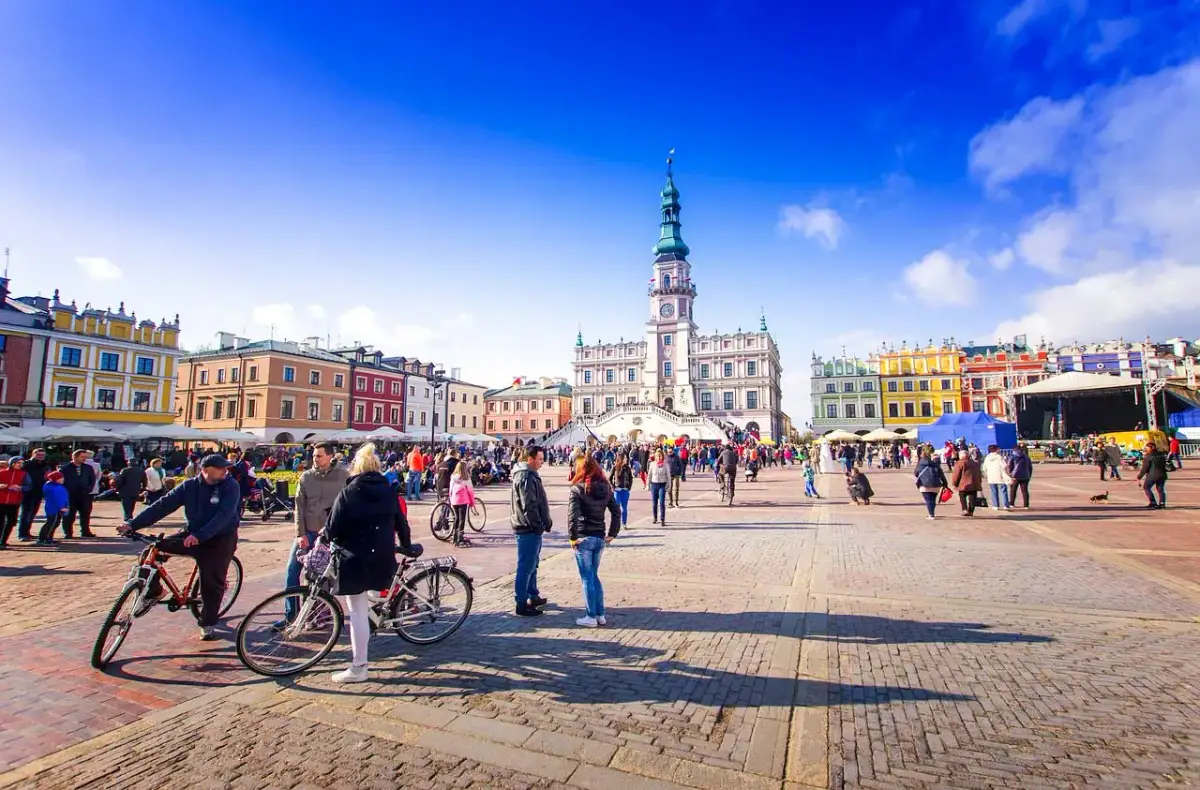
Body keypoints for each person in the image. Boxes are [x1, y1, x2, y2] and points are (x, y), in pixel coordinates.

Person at [119, 454, 241, 640]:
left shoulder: (230, 485)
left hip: (220, 537)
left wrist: (200, 536)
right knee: (152, 551)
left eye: (226, 468)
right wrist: (132, 525)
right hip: (192, 532)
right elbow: (162, 506)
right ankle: (154, 591)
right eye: (221, 468)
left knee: (211, 580)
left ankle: (207, 623)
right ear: (206, 470)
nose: (226, 471)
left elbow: (224, 516)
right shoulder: (189, 486)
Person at [320, 443, 404, 682]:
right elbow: (401, 521)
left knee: (356, 610)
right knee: (372, 596)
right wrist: (407, 544)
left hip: (354, 558)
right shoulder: (388, 489)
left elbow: (332, 526)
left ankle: (359, 666)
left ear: (356, 466)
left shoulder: (349, 491)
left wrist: (325, 536)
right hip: (382, 555)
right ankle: (378, 619)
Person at [278, 441, 349, 628]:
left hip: (328, 536)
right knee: (292, 572)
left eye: (319, 456)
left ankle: (317, 615)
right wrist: (299, 533)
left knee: (320, 578)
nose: (314, 459)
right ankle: (291, 615)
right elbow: (299, 506)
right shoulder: (306, 477)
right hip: (307, 532)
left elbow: (347, 506)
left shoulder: (343, 476)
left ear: (330, 456)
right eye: (314, 456)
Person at [567, 455, 621, 628]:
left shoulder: (578, 489)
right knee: (594, 577)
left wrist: (573, 537)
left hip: (584, 538)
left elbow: (572, 516)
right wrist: (613, 533)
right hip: (599, 537)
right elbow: (616, 511)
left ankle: (591, 616)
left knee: (587, 578)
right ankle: (600, 614)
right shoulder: (606, 487)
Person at [511, 445, 552, 617]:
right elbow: (529, 505)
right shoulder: (525, 476)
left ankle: (532, 595)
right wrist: (538, 526)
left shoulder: (529, 475)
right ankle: (521, 603)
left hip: (530, 526)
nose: (542, 462)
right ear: (530, 459)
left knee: (532, 564)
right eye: (540, 459)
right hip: (527, 527)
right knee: (525, 566)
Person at [59, 449, 97, 538]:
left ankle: (85, 531)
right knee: (69, 515)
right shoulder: (65, 468)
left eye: (85, 457)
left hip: (85, 495)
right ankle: (68, 532)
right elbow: (61, 481)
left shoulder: (88, 467)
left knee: (85, 514)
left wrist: (89, 489)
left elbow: (92, 479)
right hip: (70, 495)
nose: (84, 459)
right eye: (82, 457)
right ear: (74, 457)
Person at [18, 448, 48, 541]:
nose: (41, 457)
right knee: (26, 513)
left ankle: (27, 532)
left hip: (39, 492)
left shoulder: (44, 465)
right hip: (27, 492)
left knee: (33, 513)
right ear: (33, 454)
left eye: (42, 455)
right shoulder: (26, 465)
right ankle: (22, 534)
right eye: (39, 455)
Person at [0, 457, 29, 548]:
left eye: (21, 463)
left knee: (10, 522)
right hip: (1, 500)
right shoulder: (2, 472)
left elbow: (29, 486)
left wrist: (20, 488)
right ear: (12, 463)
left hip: (14, 501)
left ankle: (3, 541)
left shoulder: (23, 474)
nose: (20, 465)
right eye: (18, 463)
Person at [37, 471, 70, 545]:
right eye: (60, 478)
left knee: (54, 523)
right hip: (55, 508)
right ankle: (44, 539)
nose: (63, 479)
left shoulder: (49, 485)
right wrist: (63, 507)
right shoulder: (56, 487)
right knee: (51, 523)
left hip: (52, 507)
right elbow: (59, 499)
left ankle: (48, 538)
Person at [448, 459, 476, 548]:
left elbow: (450, 489)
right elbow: (470, 491)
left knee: (456, 518)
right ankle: (460, 538)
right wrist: (472, 502)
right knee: (462, 519)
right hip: (463, 500)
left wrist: (451, 498)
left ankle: (454, 537)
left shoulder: (453, 477)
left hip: (455, 500)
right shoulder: (466, 477)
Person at [915, 448, 948, 520]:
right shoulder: (935, 464)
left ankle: (931, 514)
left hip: (924, 484)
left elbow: (916, 473)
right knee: (933, 499)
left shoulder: (920, 464)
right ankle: (931, 512)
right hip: (936, 484)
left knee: (928, 500)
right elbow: (941, 474)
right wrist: (945, 483)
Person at [1137, 440, 1169, 509]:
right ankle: (1162, 503)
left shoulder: (1148, 456)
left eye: (1147, 448)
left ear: (1151, 448)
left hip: (1152, 475)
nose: (1146, 449)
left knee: (1146, 487)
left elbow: (1145, 468)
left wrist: (1139, 476)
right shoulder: (1161, 455)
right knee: (1161, 489)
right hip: (1162, 474)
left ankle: (1153, 502)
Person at [950, 449, 983, 517]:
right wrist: (979, 481)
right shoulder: (975, 463)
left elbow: (956, 474)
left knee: (962, 496)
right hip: (974, 483)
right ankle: (971, 511)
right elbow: (979, 474)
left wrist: (954, 483)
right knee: (973, 497)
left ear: (960, 456)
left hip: (963, 484)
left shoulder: (959, 463)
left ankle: (964, 509)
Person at [981, 445, 1011, 512]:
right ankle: (1005, 505)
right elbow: (1004, 466)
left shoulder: (987, 457)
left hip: (991, 477)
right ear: (996, 449)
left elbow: (984, 468)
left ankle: (995, 505)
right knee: (1004, 491)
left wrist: (986, 474)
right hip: (1000, 476)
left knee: (993, 491)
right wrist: (1008, 474)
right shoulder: (999, 457)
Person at [647, 448, 670, 525]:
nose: (658, 458)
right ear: (655, 457)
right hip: (654, 485)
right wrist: (647, 485)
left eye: (660, 456)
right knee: (654, 503)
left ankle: (662, 519)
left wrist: (668, 485)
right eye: (657, 456)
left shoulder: (665, 464)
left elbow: (668, 476)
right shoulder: (652, 464)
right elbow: (649, 475)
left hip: (662, 485)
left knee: (662, 502)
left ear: (662, 457)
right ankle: (655, 518)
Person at [1006, 444, 1032, 509]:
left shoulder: (1012, 456)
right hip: (1025, 475)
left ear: (1013, 449)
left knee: (1013, 490)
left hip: (1015, 475)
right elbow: (1030, 467)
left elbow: (1009, 466)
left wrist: (1010, 474)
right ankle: (1026, 505)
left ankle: (1012, 503)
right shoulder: (1026, 456)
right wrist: (1029, 474)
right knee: (1025, 491)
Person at [610, 453, 633, 528]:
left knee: (624, 508)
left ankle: (624, 523)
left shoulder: (628, 468)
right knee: (616, 508)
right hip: (617, 491)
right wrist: (613, 487)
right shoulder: (615, 467)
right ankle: (615, 524)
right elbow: (609, 479)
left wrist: (629, 487)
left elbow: (631, 478)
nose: (626, 459)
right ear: (621, 459)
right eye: (625, 458)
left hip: (625, 490)